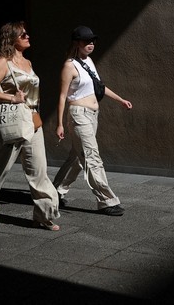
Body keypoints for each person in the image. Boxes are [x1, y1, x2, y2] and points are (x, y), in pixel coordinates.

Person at [0, 21, 61, 230]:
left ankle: (44, 215)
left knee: (39, 169)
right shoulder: (3, 62)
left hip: (31, 120)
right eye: (23, 35)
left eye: (27, 34)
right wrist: (11, 98)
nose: (28, 37)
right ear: (11, 39)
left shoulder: (28, 63)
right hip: (11, 122)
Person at [54, 25, 133, 216]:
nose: (91, 44)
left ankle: (54, 193)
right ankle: (107, 201)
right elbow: (63, 96)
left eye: (92, 41)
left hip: (92, 115)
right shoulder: (69, 66)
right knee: (92, 157)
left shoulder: (88, 62)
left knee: (76, 158)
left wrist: (120, 100)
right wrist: (59, 123)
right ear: (77, 43)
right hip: (78, 115)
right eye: (86, 41)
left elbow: (99, 87)